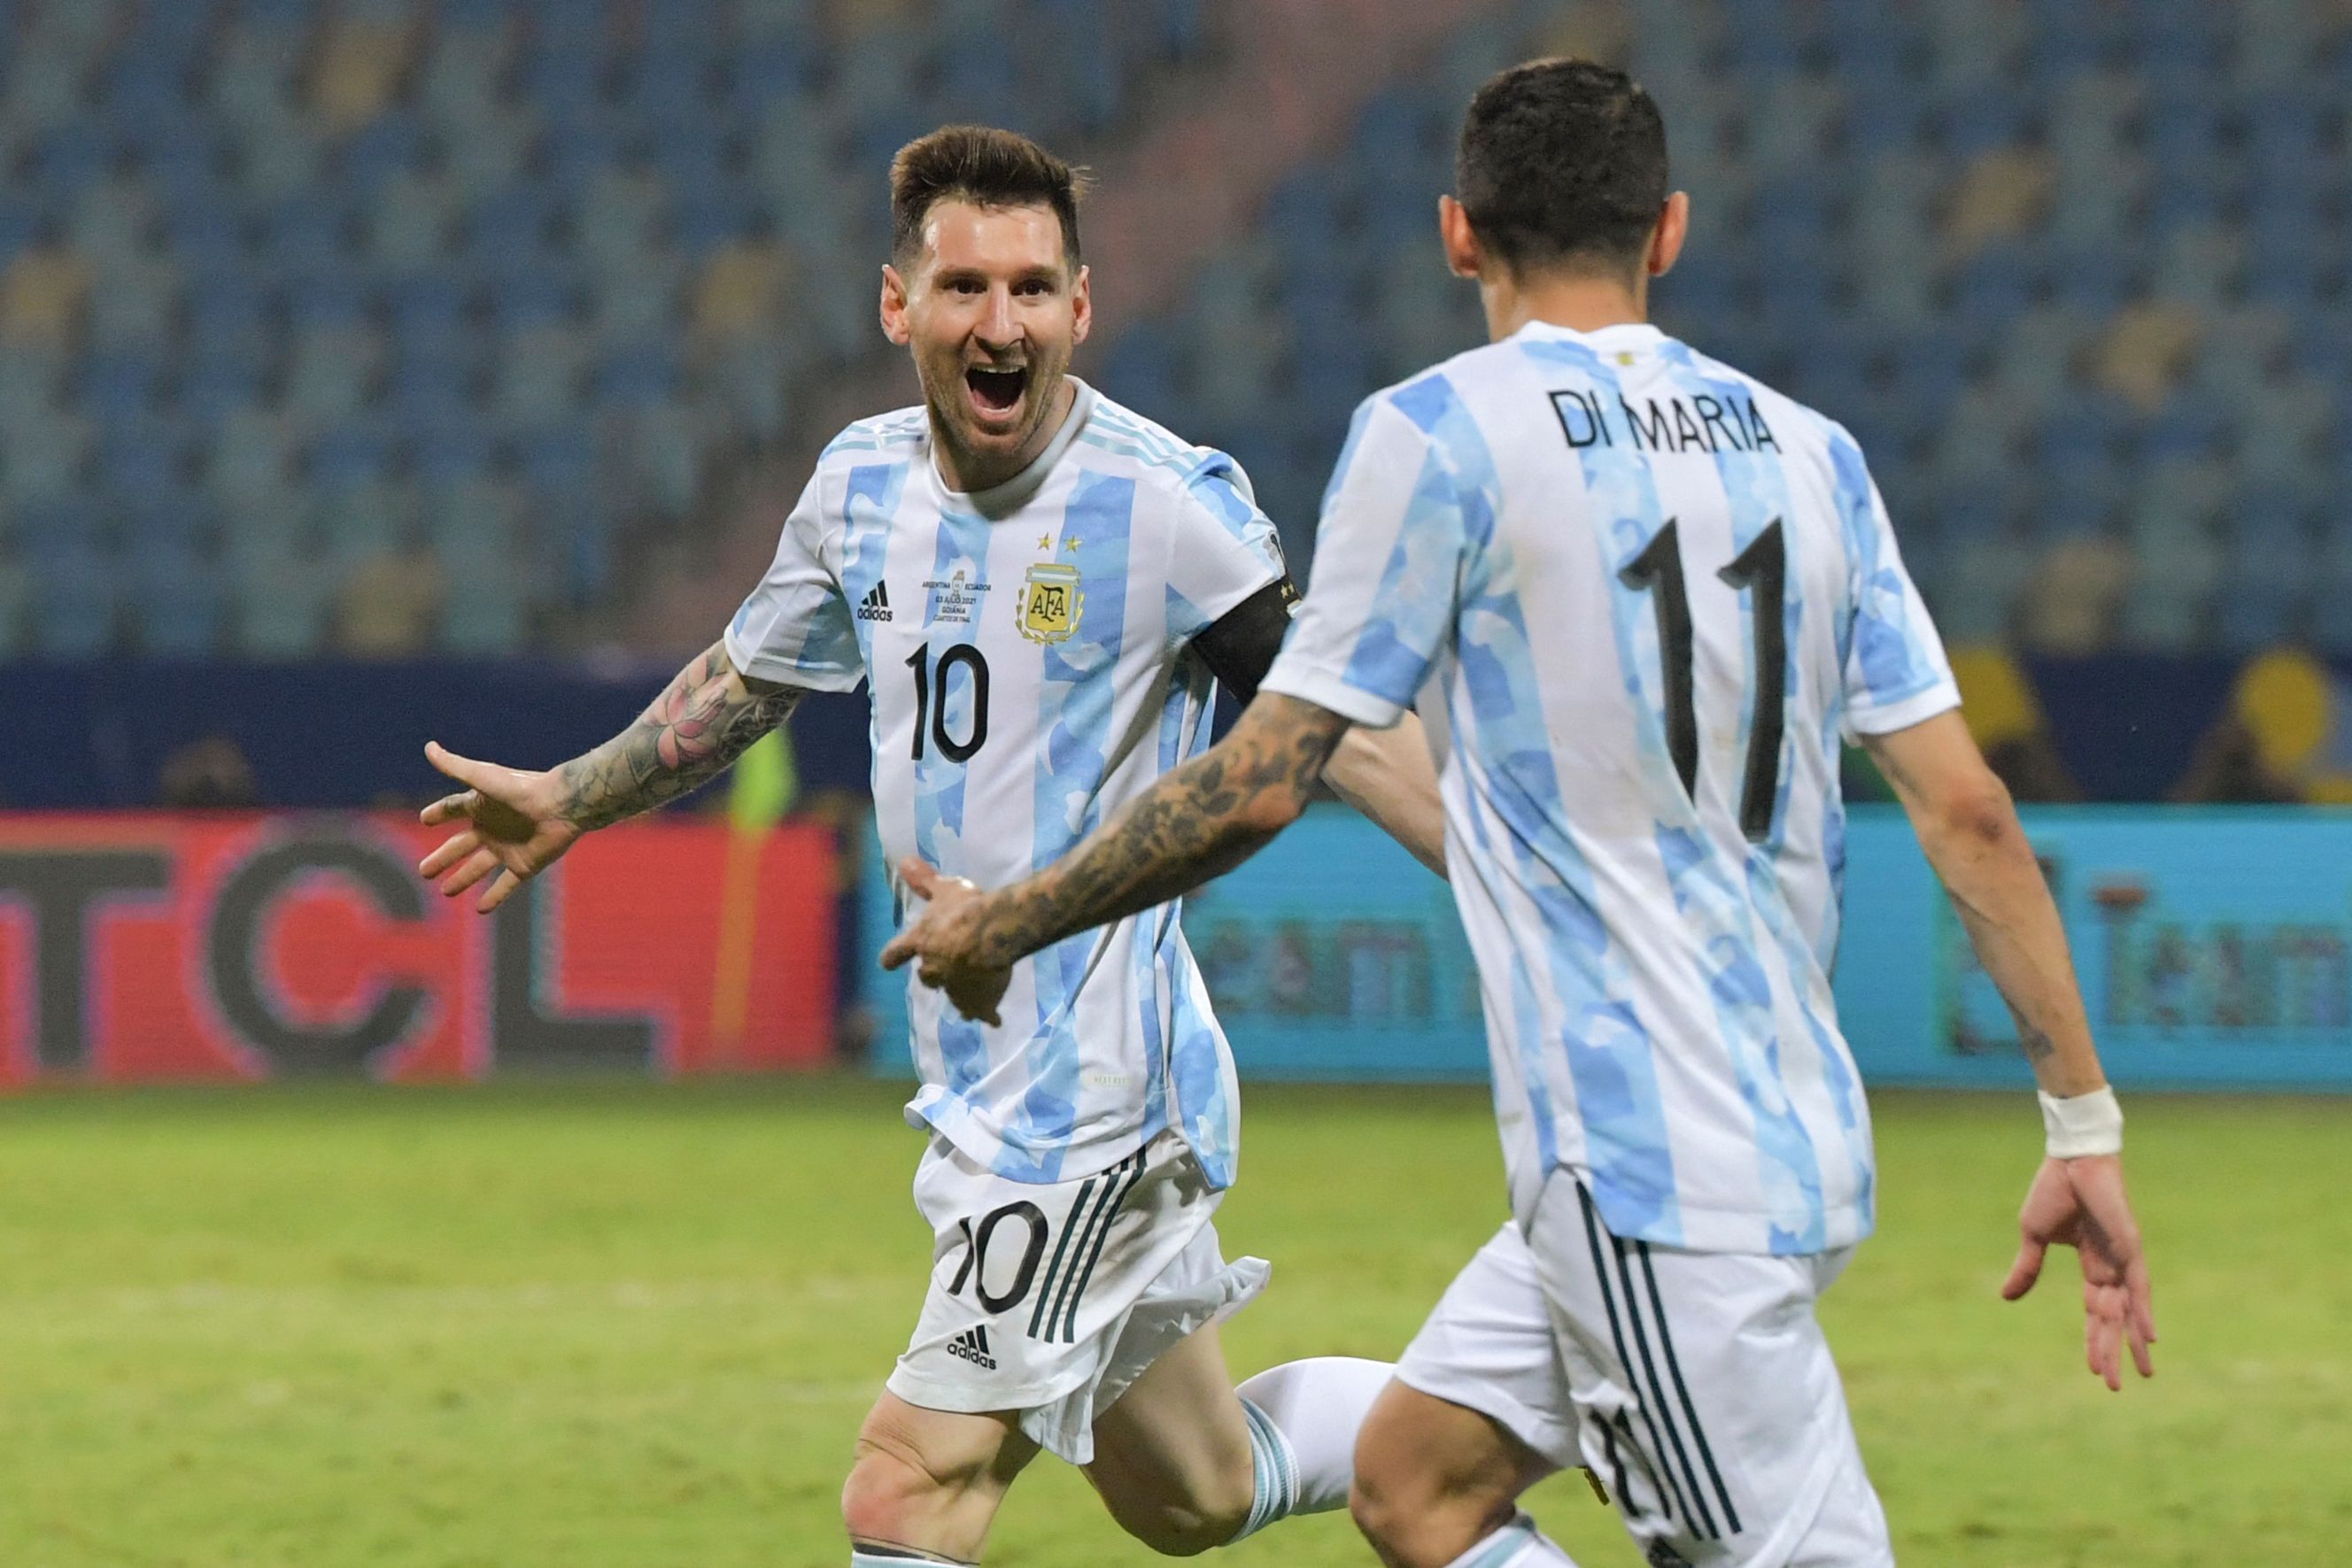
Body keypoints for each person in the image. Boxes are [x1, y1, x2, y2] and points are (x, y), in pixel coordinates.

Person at [880, 63, 2157, 1568]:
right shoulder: (1811, 457)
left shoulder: (1443, 436)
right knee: (1415, 1487)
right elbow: (1972, 815)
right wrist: (2081, 1120)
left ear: (1458, 235)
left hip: (1643, 1168)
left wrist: (1007, 918)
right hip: (1784, 1125)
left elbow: (1269, 769)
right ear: (1668, 232)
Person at [414, 125, 1443, 1565]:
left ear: (1082, 308)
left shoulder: (1164, 507)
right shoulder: (861, 488)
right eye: (964, 287)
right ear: (897, 305)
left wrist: (1504, 881)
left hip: (1091, 1098)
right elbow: (751, 674)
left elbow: (1333, 719)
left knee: (907, 1485)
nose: (1000, 322)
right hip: (978, 1084)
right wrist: (578, 794)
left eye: (1033, 288)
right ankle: (1501, 1414)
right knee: (1198, 1493)